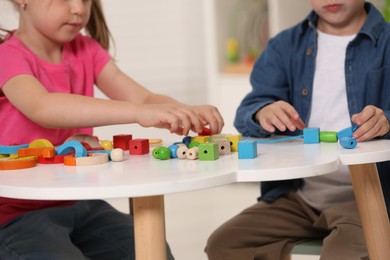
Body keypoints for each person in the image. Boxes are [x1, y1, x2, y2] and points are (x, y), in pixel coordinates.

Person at [0, 0, 224, 259]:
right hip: (15, 216)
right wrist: (139, 114)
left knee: (149, 250)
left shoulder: (86, 49)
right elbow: (42, 106)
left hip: (80, 202)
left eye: (85, 0)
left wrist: (187, 112)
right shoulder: (7, 55)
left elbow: (142, 99)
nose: (79, 9)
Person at [205, 1, 390, 259]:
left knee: (344, 253)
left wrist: (386, 120)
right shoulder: (283, 45)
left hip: (371, 196)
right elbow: (249, 108)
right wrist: (263, 112)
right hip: (301, 196)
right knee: (226, 243)